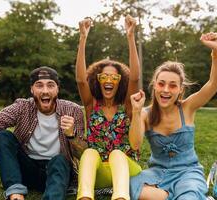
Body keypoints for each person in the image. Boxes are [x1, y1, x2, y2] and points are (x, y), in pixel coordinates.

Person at [129, 32, 217, 200]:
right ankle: (172, 196)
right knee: (130, 186)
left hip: (188, 173)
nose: (166, 90)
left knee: (189, 194)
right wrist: (136, 111)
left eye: (173, 86)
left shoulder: (187, 107)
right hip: (156, 173)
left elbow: (214, 82)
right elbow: (135, 144)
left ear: (181, 89)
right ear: (155, 86)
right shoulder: (145, 114)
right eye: (161, 84)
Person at [0, 66, 84, 200]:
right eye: (39, 85)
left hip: (58, 173)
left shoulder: (73, 110)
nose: (45, 91)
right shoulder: (22, 107)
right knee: (2, 136)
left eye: (50, 85)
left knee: (60, 160)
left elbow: (82, 154)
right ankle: (16, 194)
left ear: (57, 88)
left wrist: (71, 135)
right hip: (27, 171)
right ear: (32, 89)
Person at [75, 15, 142, 200]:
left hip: (128, 168)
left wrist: (130, 37)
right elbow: (80, 80)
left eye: (114, 78)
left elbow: (135, 78)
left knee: (117, 154)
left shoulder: (127, 105)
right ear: (97, 81)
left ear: (121, 83)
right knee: (89, 152)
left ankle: (121, 197)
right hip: (101, 173)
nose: (109, 81)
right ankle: (85, 197)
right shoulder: (91, 106)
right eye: (104, 77)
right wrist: (82, 38)